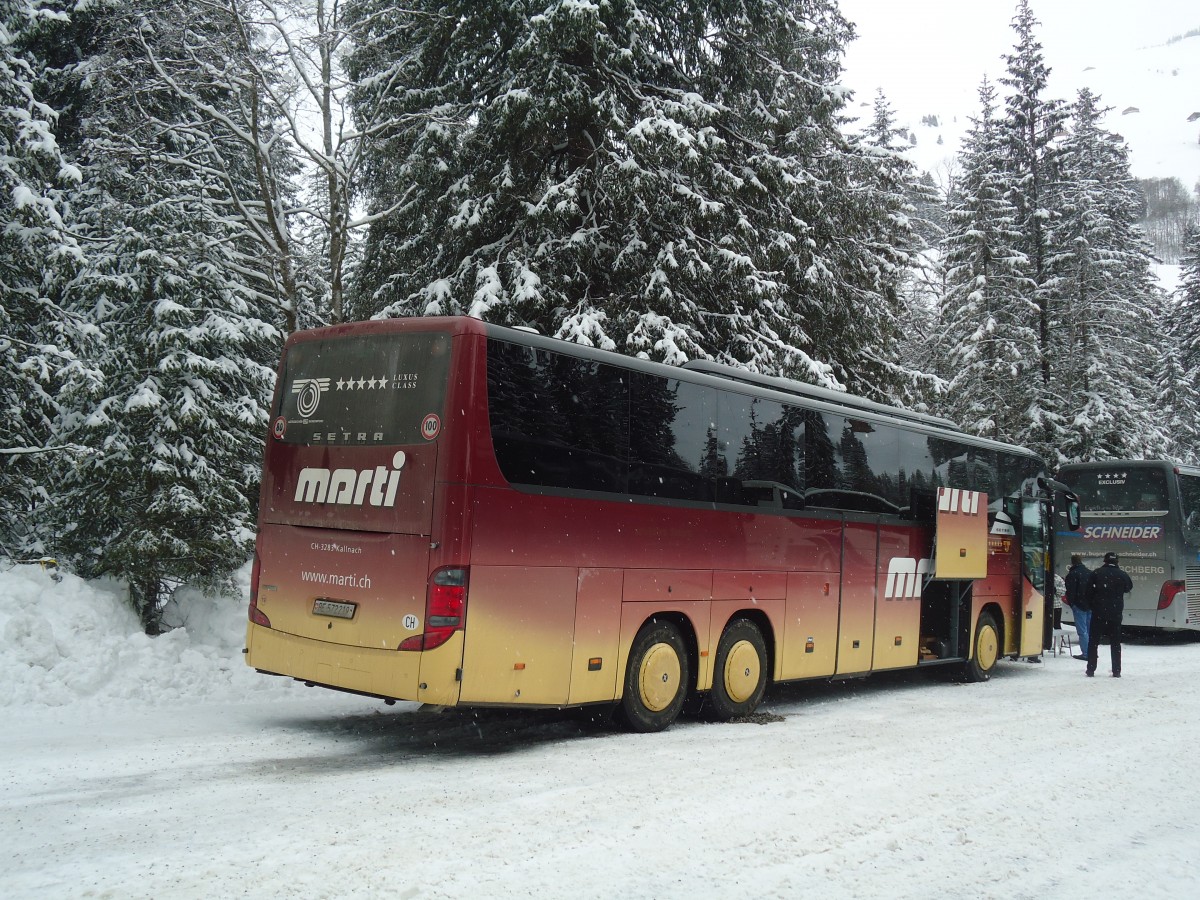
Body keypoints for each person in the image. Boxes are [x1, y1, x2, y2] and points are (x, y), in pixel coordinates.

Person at [1085, 551, 1133, 678]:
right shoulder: (1122, 575)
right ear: (1117, 561)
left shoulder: (1096, 573)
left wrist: (1093, 604)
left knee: (1093, 641)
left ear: (1105, 561)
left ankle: (1091, 669)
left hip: (1098, 612)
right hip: (1115, 613)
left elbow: (1088, 591)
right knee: (1115, 642)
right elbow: (1128, 587)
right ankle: (1116, 670)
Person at [1063, 554, 1093, 661]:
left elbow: (1070, 591)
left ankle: (1086, 653)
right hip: (1090, 605)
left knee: (1082, 630)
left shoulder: (1073, 574)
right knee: (1089, 630)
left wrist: (1072, 604)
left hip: (1079, 605)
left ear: (1072, 562)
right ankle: (1092, 652)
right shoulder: (1089, 573)